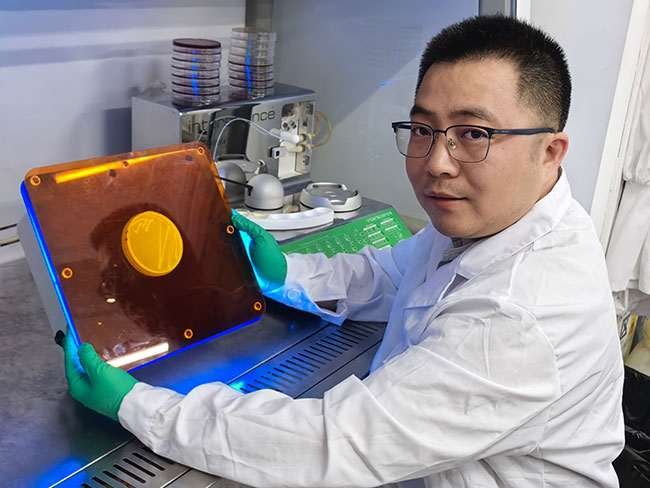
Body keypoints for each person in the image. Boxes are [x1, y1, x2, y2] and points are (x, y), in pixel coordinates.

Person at [62, 15, 625, 488]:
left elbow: (334, 442)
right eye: (423, 129)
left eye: (474, 134)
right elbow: (391, 273)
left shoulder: (521, 314)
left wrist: (138, 406)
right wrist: (286, 272)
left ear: (550, 152)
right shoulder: (493, 222)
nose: (437, 163)